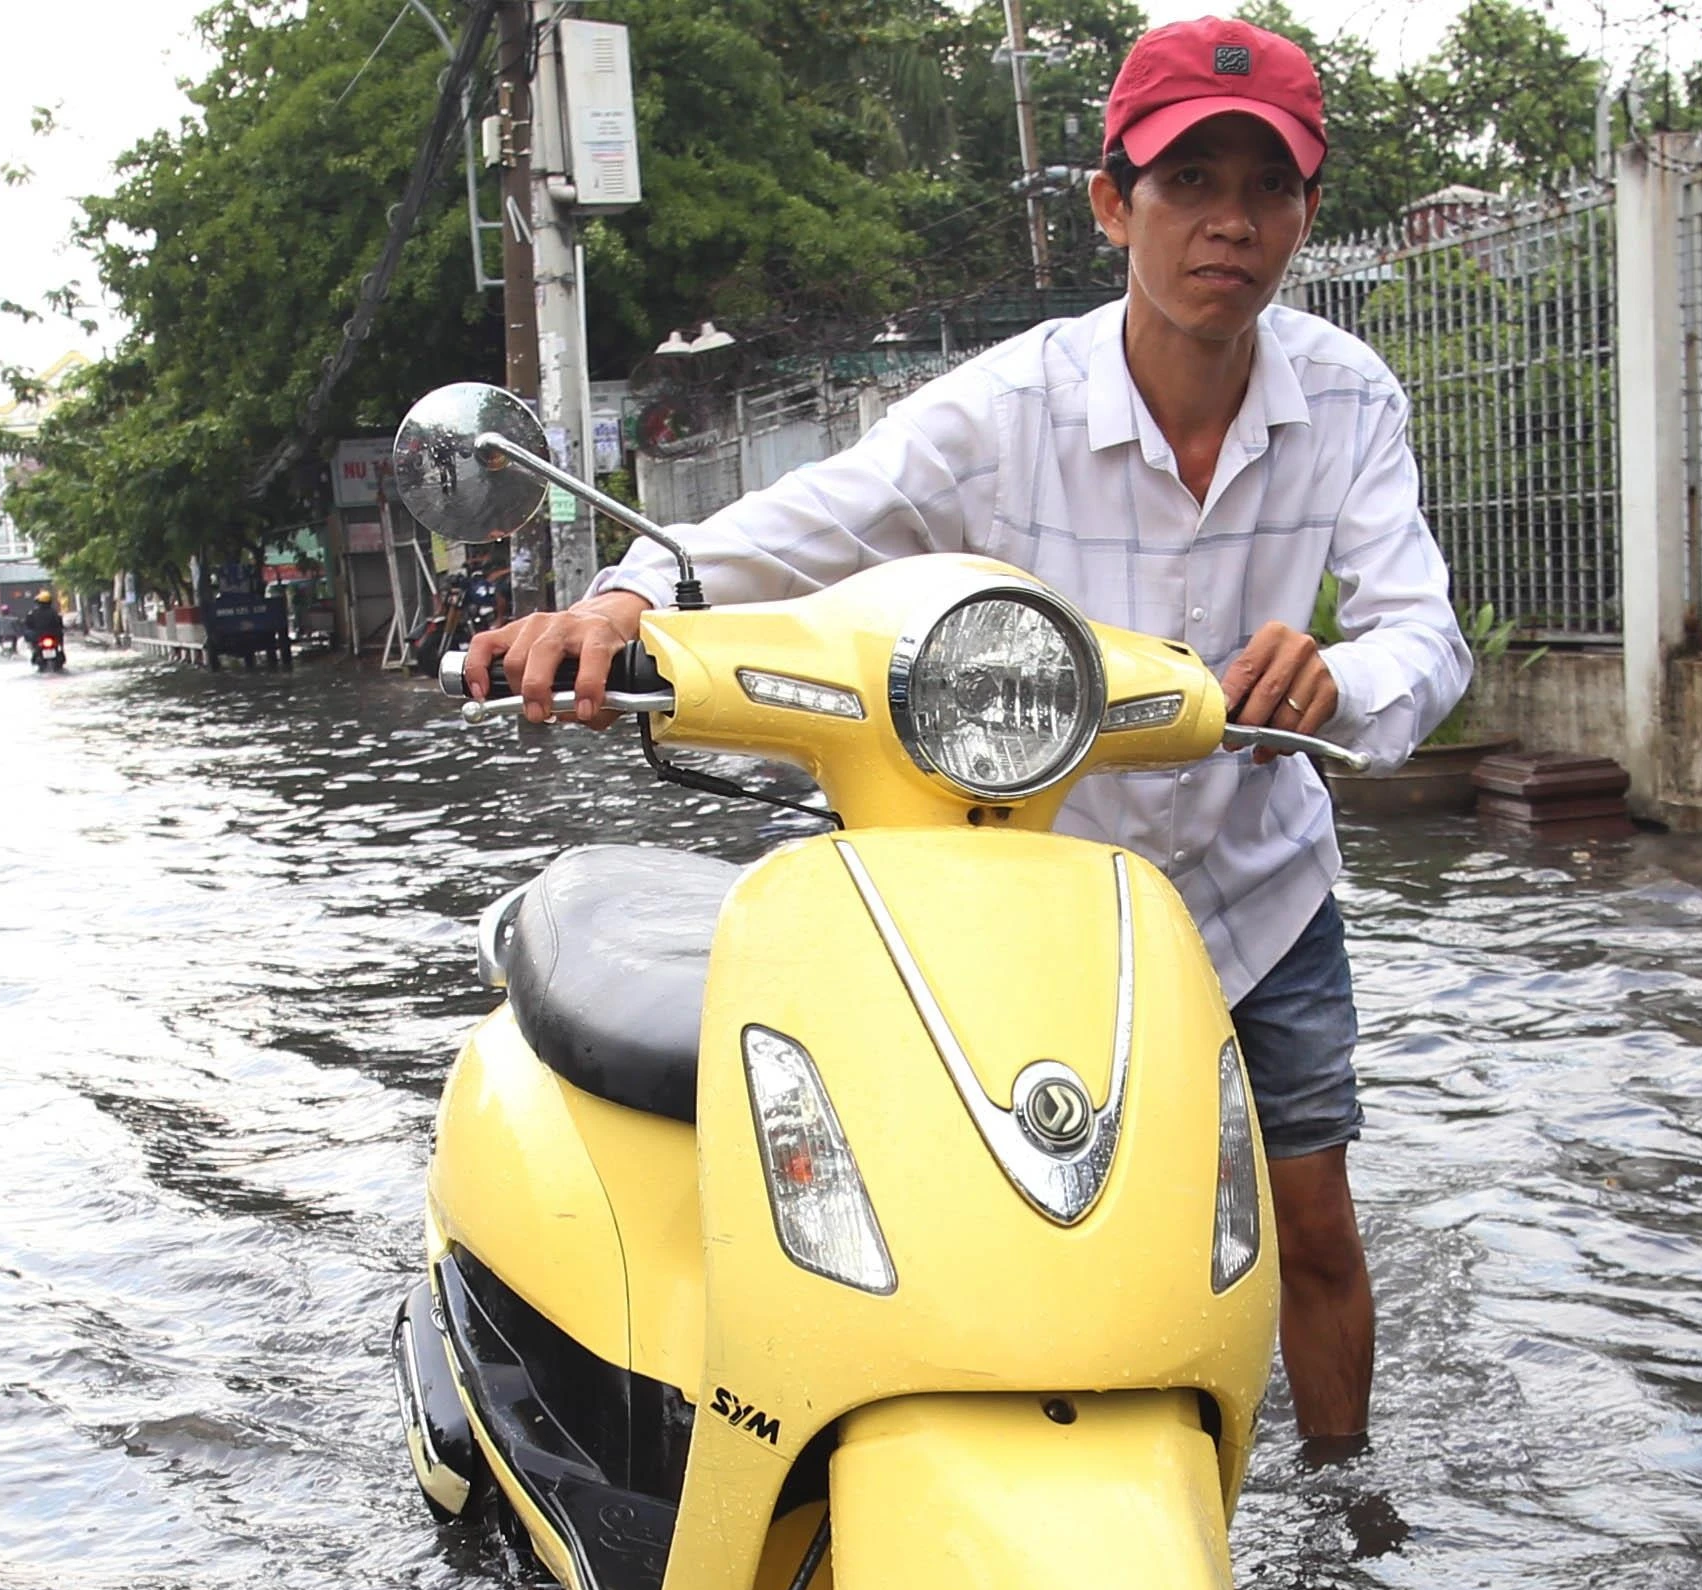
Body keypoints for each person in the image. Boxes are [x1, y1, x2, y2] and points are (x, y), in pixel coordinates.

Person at [465, 17, 1465, 1454]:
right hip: (1029, 887)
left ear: (1305, 215)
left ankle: (1348, 1513)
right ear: (1114, 203)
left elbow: (1420, 636)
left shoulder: (1349, 400)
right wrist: (626, 595)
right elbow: (810, 522)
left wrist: (1337, 684)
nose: (1229, 223)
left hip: (1257, 881)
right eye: (1189, 183)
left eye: (1267, 186)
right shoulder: (1009, 403)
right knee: (947, 1211)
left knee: (1310, 1229)